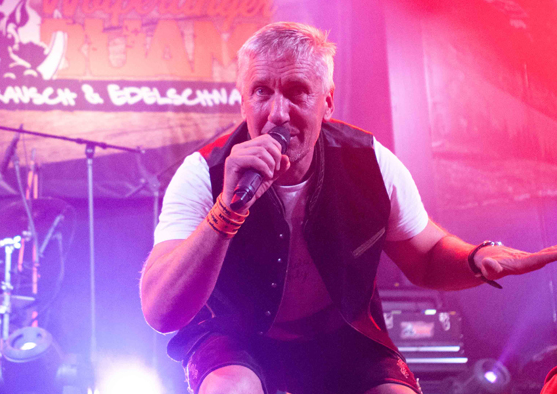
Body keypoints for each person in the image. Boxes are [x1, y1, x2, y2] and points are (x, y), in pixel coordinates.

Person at [140, 22, 557, 394]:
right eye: (262, 92)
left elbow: (427, 257)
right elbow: (160, 311)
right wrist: (227, 211)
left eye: (297, 92)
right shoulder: (203, 173)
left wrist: (476, 258)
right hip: (235, 337)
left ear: (327, 101)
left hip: (341, 335)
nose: (278, 114)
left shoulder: (370, 163)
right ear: (243, 102)